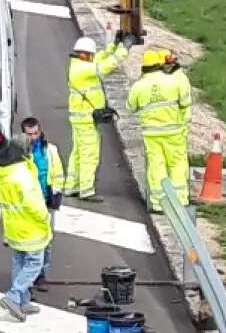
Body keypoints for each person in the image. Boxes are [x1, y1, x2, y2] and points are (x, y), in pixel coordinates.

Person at [0, 136, 52, 321]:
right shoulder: (22, 174)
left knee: (19, 261)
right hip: (30, 226)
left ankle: (23, 301)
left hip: (13, 225)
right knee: (35, 263)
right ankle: (14, 296)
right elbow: (34, 202)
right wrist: (45, 218)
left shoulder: (4, 170)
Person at [65, 35, 130, 202]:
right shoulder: (83, 70)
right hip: (86, 119)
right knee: (89, 154)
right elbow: (105, 66)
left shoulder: (79, 65)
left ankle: (72, 186)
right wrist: (124, 49)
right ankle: (86, 190)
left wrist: (113, 46)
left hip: (80, 118)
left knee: (78, 153)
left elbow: (99, 59)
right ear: (85, 54)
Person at [127, 48, 193, 210]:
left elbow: (130, 107)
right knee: (176, 164)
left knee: (156, 166)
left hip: (151, 133)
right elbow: (185, 103)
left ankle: (158, 202)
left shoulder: (138, 86)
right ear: (159, 65)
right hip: (173, 131)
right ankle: (181, 200)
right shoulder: (173, 81)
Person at [21, 117, 64, 288]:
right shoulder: (20, 153)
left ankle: (41, 274)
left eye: (36, 133)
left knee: (47, 240)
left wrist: (57, 192)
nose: (33, 137)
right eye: (29, 134)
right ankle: (29, 273)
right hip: (29, 202)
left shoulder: (51, 150)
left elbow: (58, 172)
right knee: (30, 241)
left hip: (46, 200)